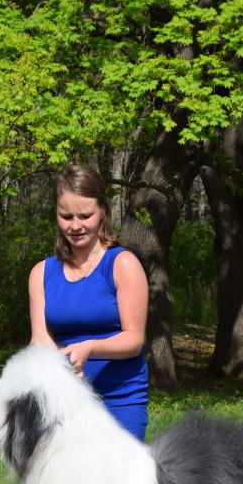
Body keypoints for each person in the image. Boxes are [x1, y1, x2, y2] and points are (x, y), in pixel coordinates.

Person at [28, 163, 149, 442]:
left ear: (102, 211)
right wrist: (60, 367)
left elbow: (134, 339)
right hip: (63, 404)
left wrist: (89, 348)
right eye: (66, 216)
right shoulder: (41, 273)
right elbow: (40, 340)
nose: (75, 226)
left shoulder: (123, 264)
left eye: (85, 216)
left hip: (119, 401)